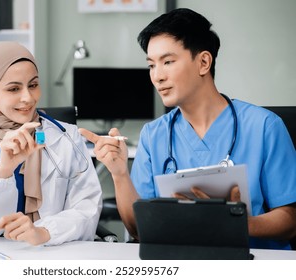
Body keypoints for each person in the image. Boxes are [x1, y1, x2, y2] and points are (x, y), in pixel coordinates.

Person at [79, 8, 296, 250]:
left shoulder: (264, 127)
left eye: (168, 62)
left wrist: (238, 223)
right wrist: (119, 174)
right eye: (151, 65)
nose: (157, 76)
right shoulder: (154, 135)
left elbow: (290, 219)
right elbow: (138, 230)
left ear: (204, 62)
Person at [0, 41, 102, 246]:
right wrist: (3, 171)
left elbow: (87, 207)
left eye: (33, 85)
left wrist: (44, 232)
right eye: (14, 89)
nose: (28, 98)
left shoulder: (66, 136)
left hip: (53, 253)